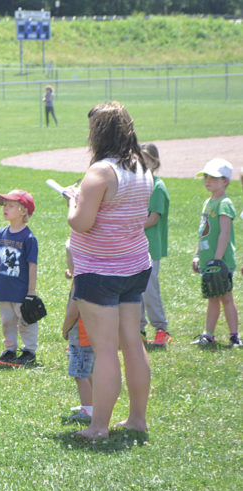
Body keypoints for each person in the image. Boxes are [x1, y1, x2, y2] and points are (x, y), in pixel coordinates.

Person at [66, 101, 153, 439]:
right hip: (134, 266)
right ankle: (137, 419)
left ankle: (98, 426)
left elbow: (82, 223)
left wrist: (73, 200)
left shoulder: (100, 172)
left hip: (100, 272)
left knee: (105, 350)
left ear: (98, 133)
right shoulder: (143, 167)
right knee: (133, 342)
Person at [190, 158, 241, 347]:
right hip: (208, 260)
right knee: (212, 297)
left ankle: (234, 336)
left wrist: (218, 261)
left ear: (225, 181)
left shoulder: (224, 203)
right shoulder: (207, 202)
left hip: (220, 262)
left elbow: (224, 234)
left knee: (226, 297)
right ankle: (208, 334)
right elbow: (202, 233)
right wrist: (197, 255)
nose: (207, 181)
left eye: (213, 177)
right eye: (206, 177)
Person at [0, 189, 39, 365]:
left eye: (10, 205)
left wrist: (31, 292)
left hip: (21, 290)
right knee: (7, 321)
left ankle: (29, 351)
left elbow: (32, 265)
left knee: (26, 321)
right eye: (4, 205)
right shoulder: (1, 233)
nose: (5, 208)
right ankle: (10, 349)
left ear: (23, 210)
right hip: (5, 289)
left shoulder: (28, 238)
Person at [139, 143, 171, 346]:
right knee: (136, 291)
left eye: (145, 159)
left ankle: (161, 329)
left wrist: (128, 225)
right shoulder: (138, 185)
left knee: (150, 290)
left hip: (151, 248)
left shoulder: (157, 187)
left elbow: (152, 219)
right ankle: (138, 330)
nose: (141, 162)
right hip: (135, 248)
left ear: (154, 162)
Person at [61, 239, 94, 423]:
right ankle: (91, 405)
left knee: (79, 374)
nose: (67, 262)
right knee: (91, 372)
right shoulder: (89, 276)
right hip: (92, 335)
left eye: (68, 258)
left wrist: (65, 329)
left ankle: (88, 411)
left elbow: (73, 311)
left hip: (80, 336)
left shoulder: (79, 283)